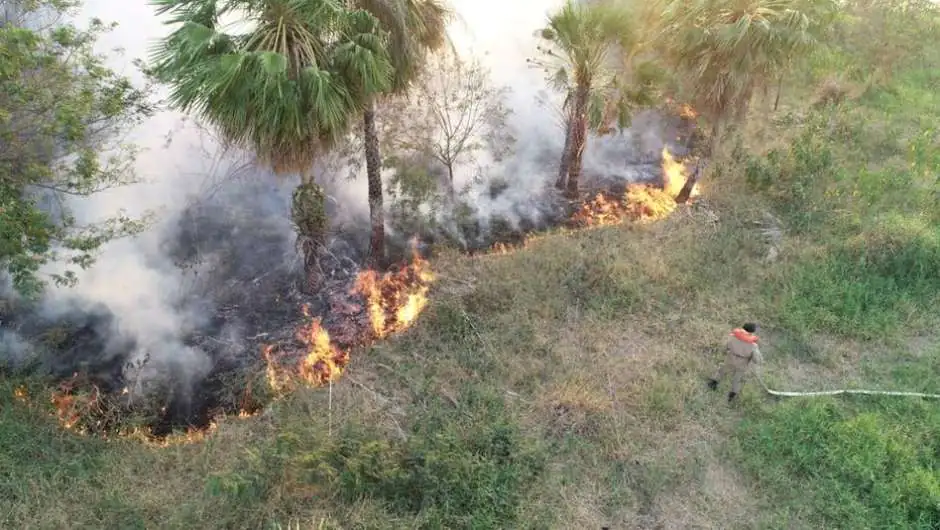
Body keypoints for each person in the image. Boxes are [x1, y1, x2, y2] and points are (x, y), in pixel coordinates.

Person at [707, 322, 763, 402]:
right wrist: (755, 360)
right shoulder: (753, 345)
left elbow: (725, 346)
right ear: (751, 332)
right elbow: (757, 359)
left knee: (722, 371)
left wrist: (723, 352)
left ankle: (713, 383)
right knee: (737, 379)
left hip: (731, 358)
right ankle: (732, 395)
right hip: (742, 363)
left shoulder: (733, 337)